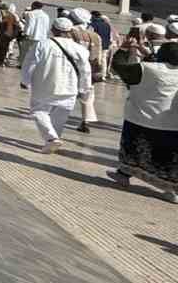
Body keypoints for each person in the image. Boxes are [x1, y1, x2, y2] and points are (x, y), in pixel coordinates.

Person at [107, 34, 178, 202]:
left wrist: (124, 49)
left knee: (133, 149)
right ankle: (172, 190)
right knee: (167, 158)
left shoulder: (146, 68)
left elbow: (119, 67)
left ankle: (124, 174)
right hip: (170, 123)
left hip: (140, 119)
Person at [22, 17, 91, 152]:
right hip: (70, 88)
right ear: (70, 31)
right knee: (60, 117)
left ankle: (51, 139)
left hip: (45, 86)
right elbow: (86, 71)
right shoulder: (80, 49)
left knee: (39, 111)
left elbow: (30, 63)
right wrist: (85, 89)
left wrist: (25, 81)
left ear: (53, 29)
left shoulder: (42, 44)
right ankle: (53, 140)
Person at [19, 2, 53, 83]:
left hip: (31, 37)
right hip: (42, 37)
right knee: (37, 54)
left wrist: (26, 34)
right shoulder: (46, 15)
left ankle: (23, 66)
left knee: (26, 53)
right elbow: (47, 27)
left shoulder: (31, 13)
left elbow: (30, 24)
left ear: (33, 6)